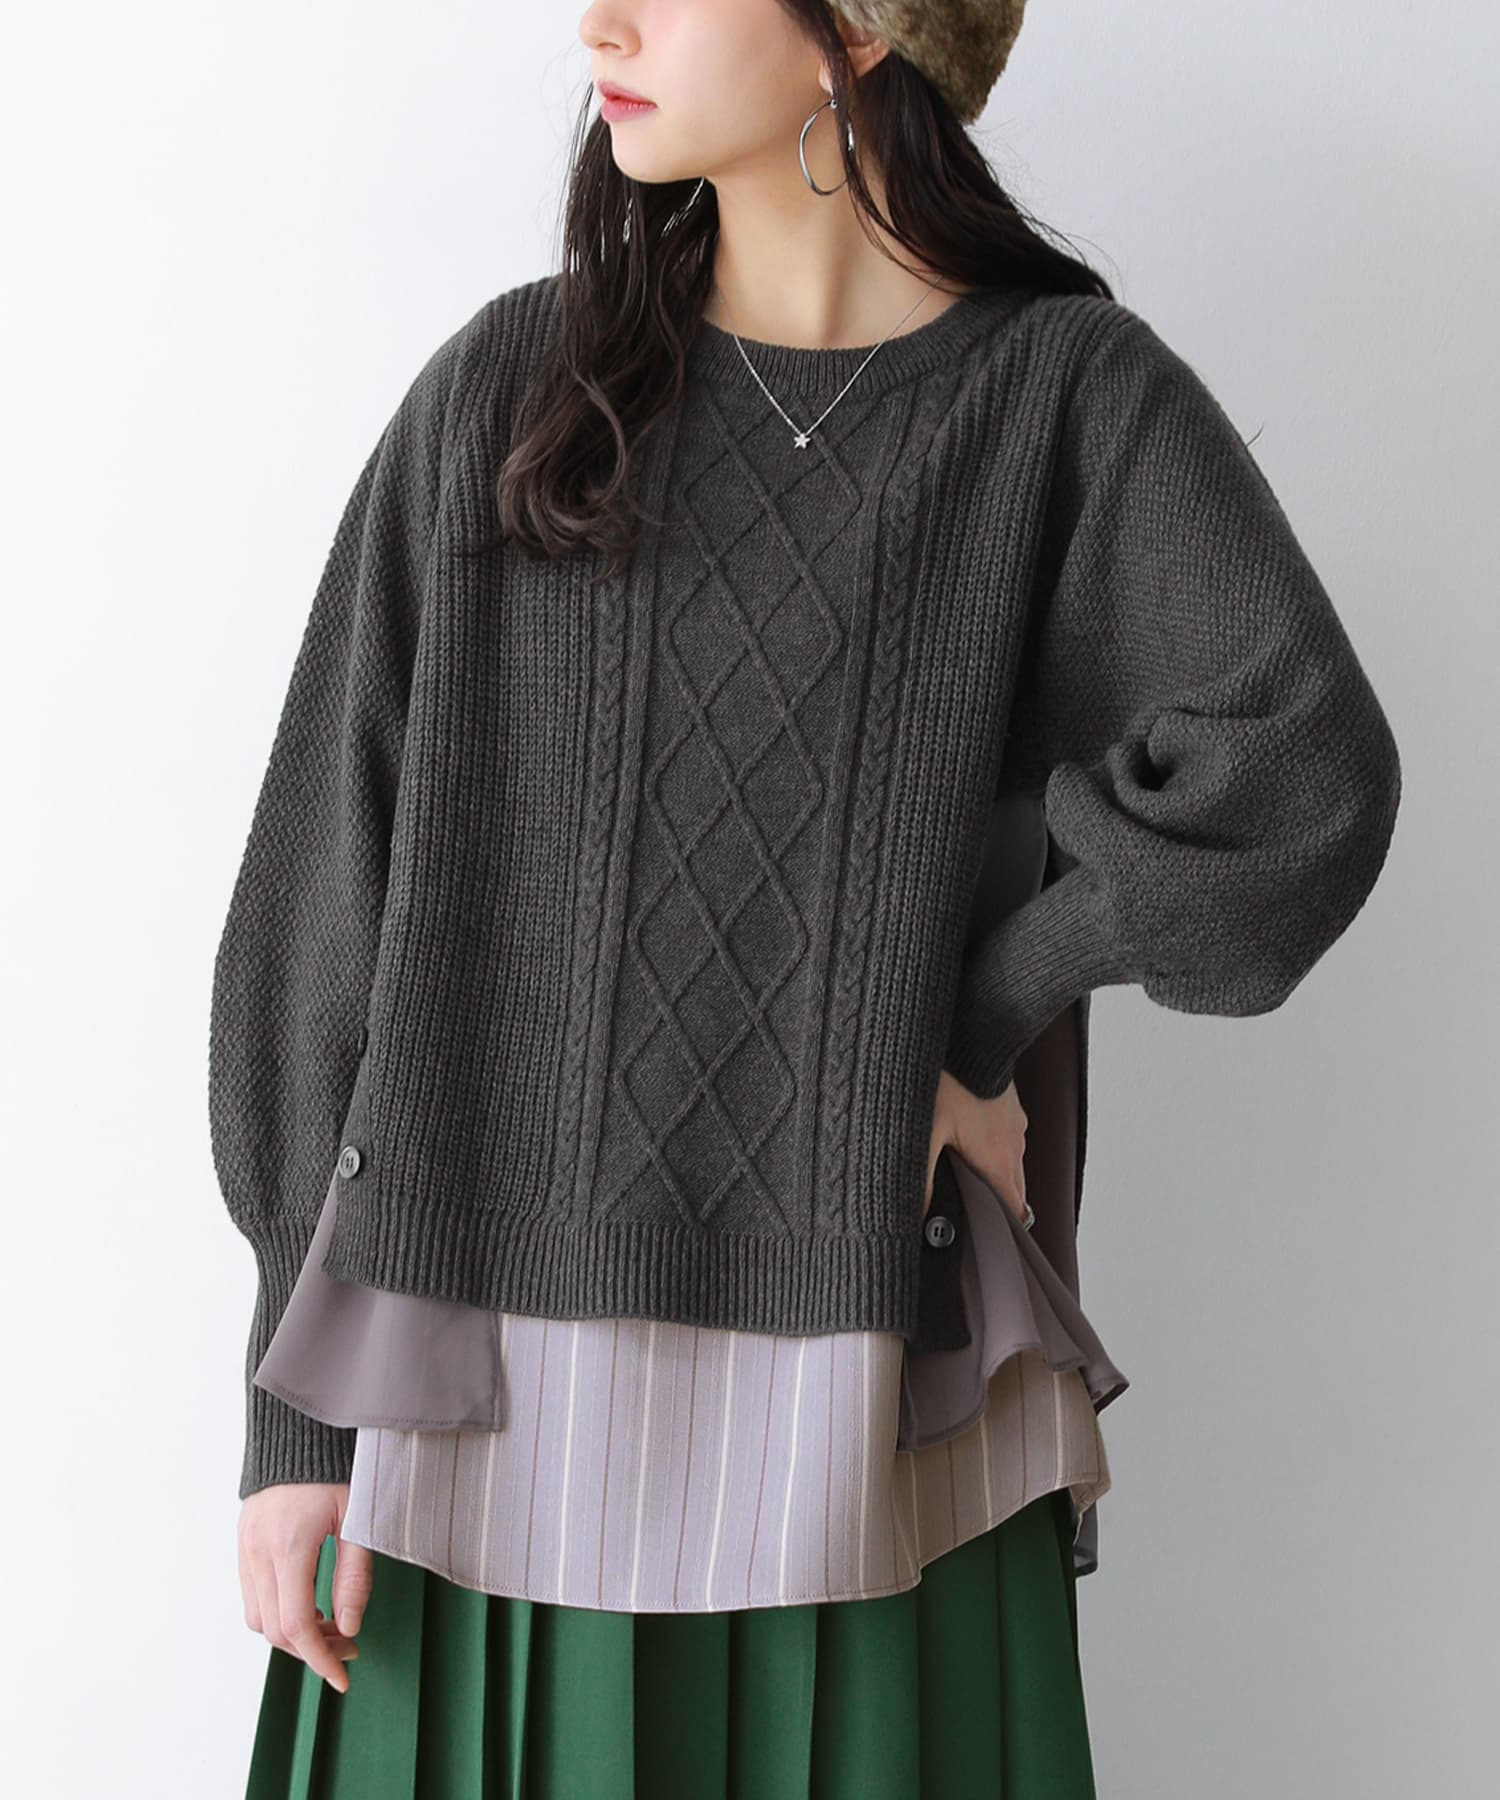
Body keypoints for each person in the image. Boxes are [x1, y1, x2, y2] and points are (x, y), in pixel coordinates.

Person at [212, 3, 1403, 1794]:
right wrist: (293, 1417)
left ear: (860, 22)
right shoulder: (512, 394)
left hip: (871, 1410)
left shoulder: (1063, 404)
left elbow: (1303, 778)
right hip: (474, 1399)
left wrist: (980, 1019)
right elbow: (320, 904)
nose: (599, 22)